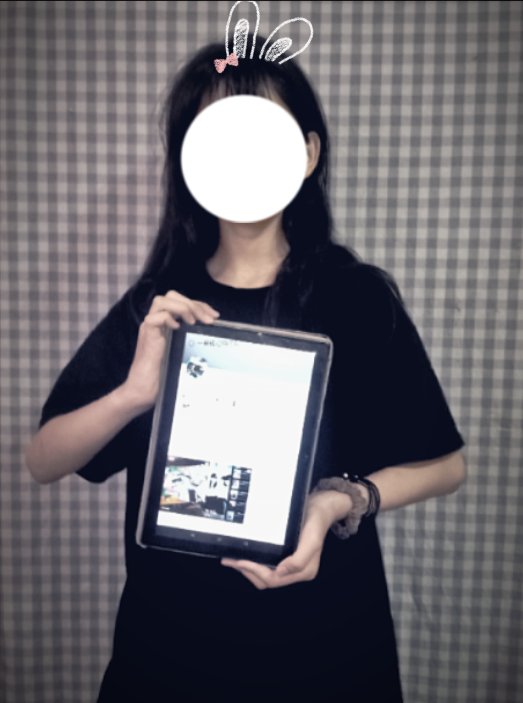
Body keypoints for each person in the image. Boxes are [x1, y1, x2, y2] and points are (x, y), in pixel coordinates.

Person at [26, 39, 466, 702]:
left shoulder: (354, 298)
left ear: (308, 153)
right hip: (170, 644)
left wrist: (338, 500)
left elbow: (446, 465)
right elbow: (42, 459)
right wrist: (134, 394)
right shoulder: (160, 308)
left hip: (328, 644)